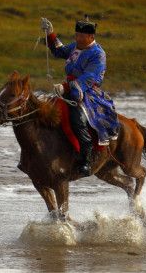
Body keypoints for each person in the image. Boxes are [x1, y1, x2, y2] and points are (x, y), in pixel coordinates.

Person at [40, 16, 119, 176]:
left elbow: (90, 77)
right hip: (68, 88)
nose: (78, 39)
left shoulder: (98, 54)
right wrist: (51, 34)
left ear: (91, 37)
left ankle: (86, 158)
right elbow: (59, 51)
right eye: (77, 35)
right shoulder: (76, 46)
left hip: (87, 92)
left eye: (82, 36)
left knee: (78, 119)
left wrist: (65, 87)